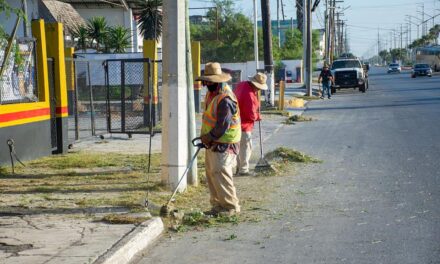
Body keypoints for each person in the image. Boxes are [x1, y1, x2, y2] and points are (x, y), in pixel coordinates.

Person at [196, 62, 241, 217]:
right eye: (205, 81)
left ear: (218, 81)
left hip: (224, 142)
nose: (206, 84)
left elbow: (223, 126)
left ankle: (230, 207)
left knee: (221, 172)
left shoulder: (225, 99)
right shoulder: (211, 94)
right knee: (211, 173)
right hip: (212, 142)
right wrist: (206, 138)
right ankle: (217, 205)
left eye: (209, 81)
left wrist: (209, 137)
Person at [233, 72, 268, 176]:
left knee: (238, 148)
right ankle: (243, 170)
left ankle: (238, 168)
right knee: (246, 147)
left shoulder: (242, 84)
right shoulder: (250, 96)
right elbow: (251, 116)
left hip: (234, 123)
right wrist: (258, 116)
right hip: (244, 125)